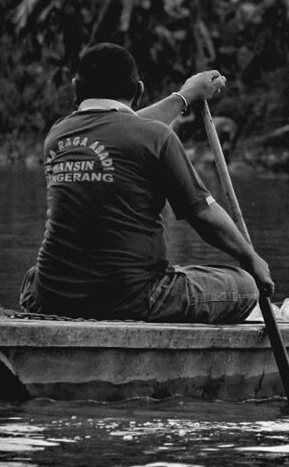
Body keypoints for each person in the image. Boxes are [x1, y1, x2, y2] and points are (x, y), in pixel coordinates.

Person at [19, 43, 273, 322]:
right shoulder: (155, 137)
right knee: (245, 287)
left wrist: (185, 96)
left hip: (48, 296)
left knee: (37, 274)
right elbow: (203, 215)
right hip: (133, 298)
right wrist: (252, 259)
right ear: (138, 91)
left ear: (75, 87)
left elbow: (120, 127)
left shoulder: (58, 134)